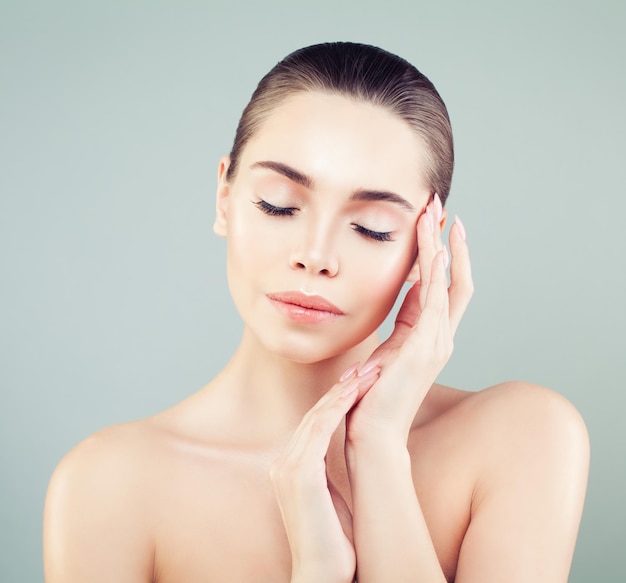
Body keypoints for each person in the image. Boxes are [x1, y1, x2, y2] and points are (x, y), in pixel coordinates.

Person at [43, 42, 589, 582]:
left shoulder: (522, 438)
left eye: (373, 227)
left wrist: (376, 451)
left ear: (424, 246)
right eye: (278, 203)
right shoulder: (109, 486)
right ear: (224, 198)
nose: (316, 256)